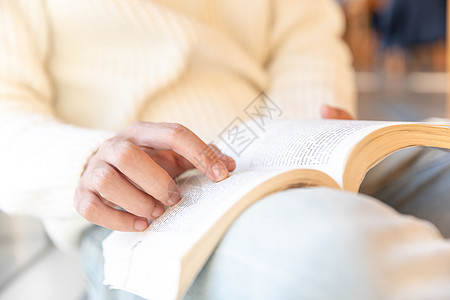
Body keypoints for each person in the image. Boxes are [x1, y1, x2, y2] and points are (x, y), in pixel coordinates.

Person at [0, 1, 449, 299]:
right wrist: (91, 162)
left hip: (276, 142)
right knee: (340, 254)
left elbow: (304, 34)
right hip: (149, 198)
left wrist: (304, 144)